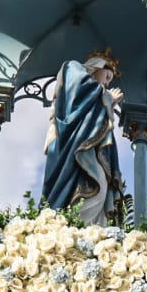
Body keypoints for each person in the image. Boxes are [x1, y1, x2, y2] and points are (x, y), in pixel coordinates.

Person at [42, 52, 123, 225]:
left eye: (109, 82)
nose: (107, 83)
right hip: (67, 144)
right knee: (92, 185)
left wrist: (108, 102)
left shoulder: (98, 96)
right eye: (107, 76)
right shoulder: (73, 67)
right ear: (97, 66)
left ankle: (88, 235)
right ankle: (75, 232)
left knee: (100, 185)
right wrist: (106, 97)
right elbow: (77, 92)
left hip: (88, 149)